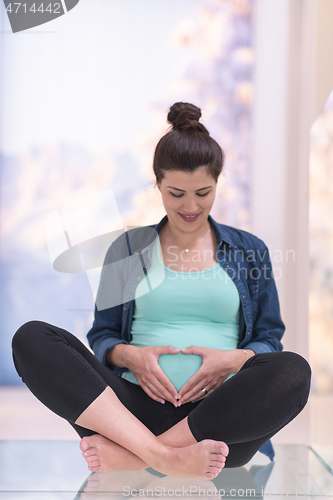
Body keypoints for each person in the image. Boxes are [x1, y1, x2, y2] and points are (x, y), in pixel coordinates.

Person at [12, 102, 311, 480]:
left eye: (203, 192)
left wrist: (233, 361)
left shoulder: (250, 251)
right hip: (131, 413)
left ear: (218, 182)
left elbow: (270, 339)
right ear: (158, 185)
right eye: (176, 193)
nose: (190, 206)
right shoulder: (127, 249)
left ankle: (139, 456)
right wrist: (132, 357)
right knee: (32, 338)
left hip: (218, 423)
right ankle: (164, 456)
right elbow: (102, 336)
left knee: (294, 371)